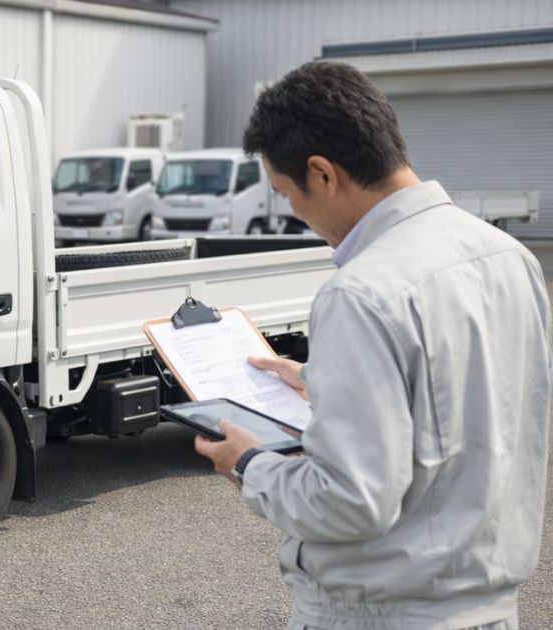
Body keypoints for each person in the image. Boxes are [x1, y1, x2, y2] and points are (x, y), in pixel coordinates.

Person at [195, 60, 551, 629]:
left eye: (286, 193)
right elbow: (469, 396)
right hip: (489, 608)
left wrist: (248, 464)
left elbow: (349, 502)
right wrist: (319, 380)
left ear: (322, 174)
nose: (296, 214)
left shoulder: (361, 292)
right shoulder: (508, 257)